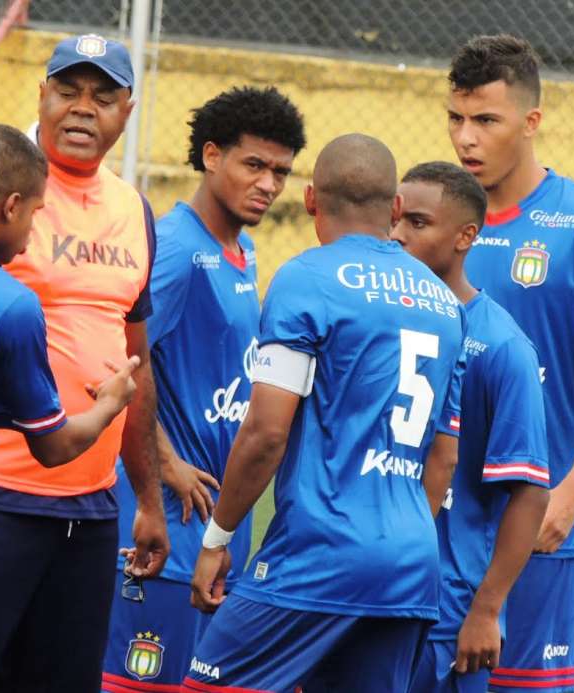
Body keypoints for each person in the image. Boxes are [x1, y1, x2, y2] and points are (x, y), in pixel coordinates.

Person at [183, 134, 465, 693]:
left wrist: (217, 538)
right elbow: (444, 456)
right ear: (395, 209)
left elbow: (266, 433)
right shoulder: (444, 304)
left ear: (311, 200)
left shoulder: (306, 278)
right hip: (410, 566)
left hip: (318, 555)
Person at [446, 35, 574, 692]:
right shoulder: (437, 216)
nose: (465, 139)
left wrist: (573, 492)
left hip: (537, 523)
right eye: (455, 118)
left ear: (531, 122)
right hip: (438, 521)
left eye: (486, 120)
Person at [0, 35, 169, 693]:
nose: (83, 109)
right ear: (42, 96)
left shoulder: (133, 208)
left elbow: (135, 360)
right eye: (68, 91)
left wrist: (149, 499)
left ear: (127, 110)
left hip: (92, 506)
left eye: (102, 96)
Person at [101, 86, 306, 691]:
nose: (269, 184)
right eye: (255, 165)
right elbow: (118, 360)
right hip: (166, 525)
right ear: (211, 155)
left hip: (217, 526)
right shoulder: (176, 250)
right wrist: (168, 463)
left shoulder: (244, 250)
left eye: (281, 172)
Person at [390, 161, 551, 693]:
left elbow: (529, 492)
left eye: (417, 223)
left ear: (465, 236)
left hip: (445, 607)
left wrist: (486, 610)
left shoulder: (503, 347)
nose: (397, 234)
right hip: (371, 584)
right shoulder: (379, 317)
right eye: (395, 219)